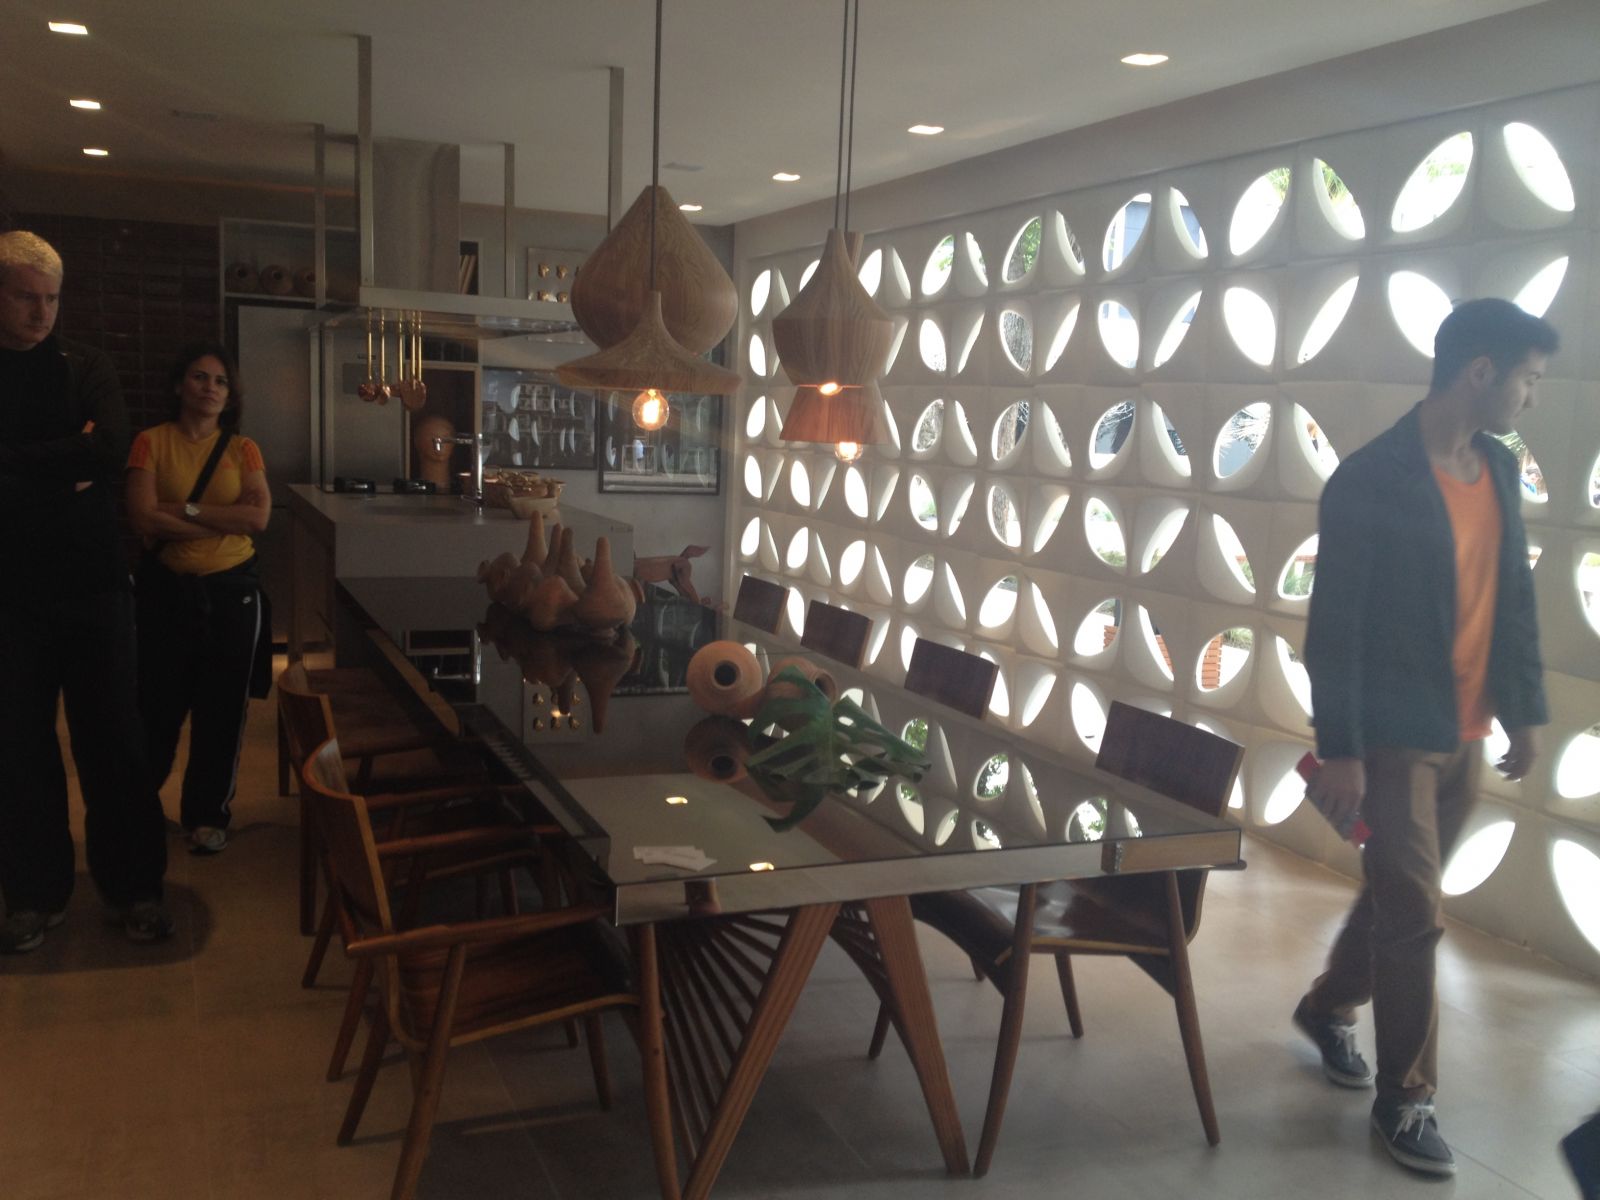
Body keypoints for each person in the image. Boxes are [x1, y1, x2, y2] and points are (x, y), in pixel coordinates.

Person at [1295, 298, 1559, 1176]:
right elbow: (1336, 626)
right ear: (1480, 372)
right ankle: (1406, 1099)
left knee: (1399, 896)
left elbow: (1513, 597)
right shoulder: (1371, 479)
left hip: (1467, 729)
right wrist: (1341, 749)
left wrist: (1524, 709)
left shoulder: (1501, 469)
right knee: (1415, 914)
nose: (1531, 397)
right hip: (1394, 737)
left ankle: (1328, 1006)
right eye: (1528, 379)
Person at [0, 230, 174, 950]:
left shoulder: (86, 364)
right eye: (25, 297)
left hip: (96, 583)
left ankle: (133, 889)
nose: (41, 312)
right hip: (11, 592)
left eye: (51, 299)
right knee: (18, 747)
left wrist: (15, 465)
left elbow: (109, 447)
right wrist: (63, 467)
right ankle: (34, 895)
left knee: (115, 742)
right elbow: (83, 454)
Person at [127, 343, 271, 855]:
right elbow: (142, 517)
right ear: (178, 385)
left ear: (230, 395)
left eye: (220, 381)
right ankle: (138, 810)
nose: (210, 388)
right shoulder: (149, 442)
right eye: (200, 377)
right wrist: (221, 518)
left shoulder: (243, 449)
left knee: (223, 711)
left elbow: (257, 518)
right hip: (166, 594)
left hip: (232, 594)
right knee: (156, 707)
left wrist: (181, 510)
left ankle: (209, 816)